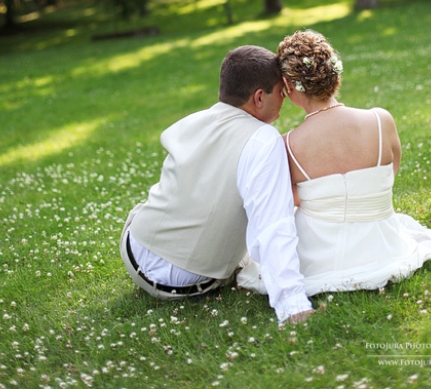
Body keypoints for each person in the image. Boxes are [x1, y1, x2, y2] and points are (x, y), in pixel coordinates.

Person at [237, 30, 431, 296]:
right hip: (383, 245)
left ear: (288, 85)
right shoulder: (381, 120)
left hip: (320, 256)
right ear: (334, 73)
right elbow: (390, 173)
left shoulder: (288, 145)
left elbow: (293, 199)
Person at [120, 45, 314, 324]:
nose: (283, 100)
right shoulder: (263, 139)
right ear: (259, 98)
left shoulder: (194, 120)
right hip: (183, 279)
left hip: (134, 248)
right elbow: (273, 225)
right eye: (280, 93)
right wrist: (292, 304)